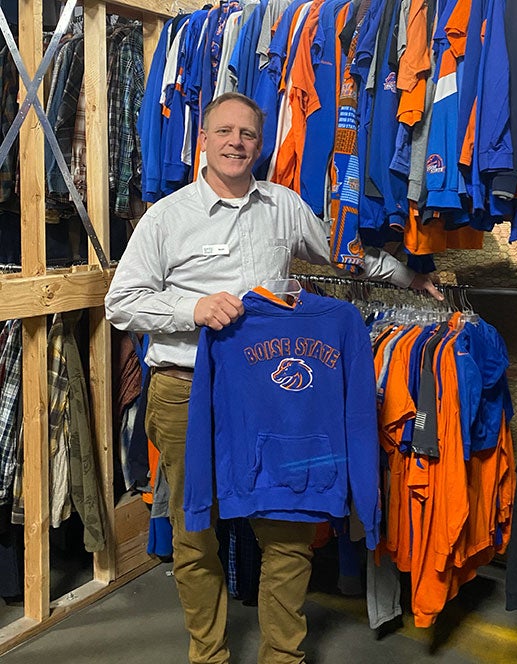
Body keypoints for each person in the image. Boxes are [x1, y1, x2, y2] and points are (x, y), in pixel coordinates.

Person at [105, 92, 442, 664]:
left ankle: (282, 656)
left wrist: (407, 278)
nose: (237, 142)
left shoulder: (285, 206)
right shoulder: (167, 218)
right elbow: (122, 302)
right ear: (203, 141)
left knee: (288, 528)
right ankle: (208, 653)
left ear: (260, 145)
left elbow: (344, 256)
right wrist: (194, 310)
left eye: (248, 135)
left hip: (274, 397)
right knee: (196, 530)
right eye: (225, 132)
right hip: (188, 391)